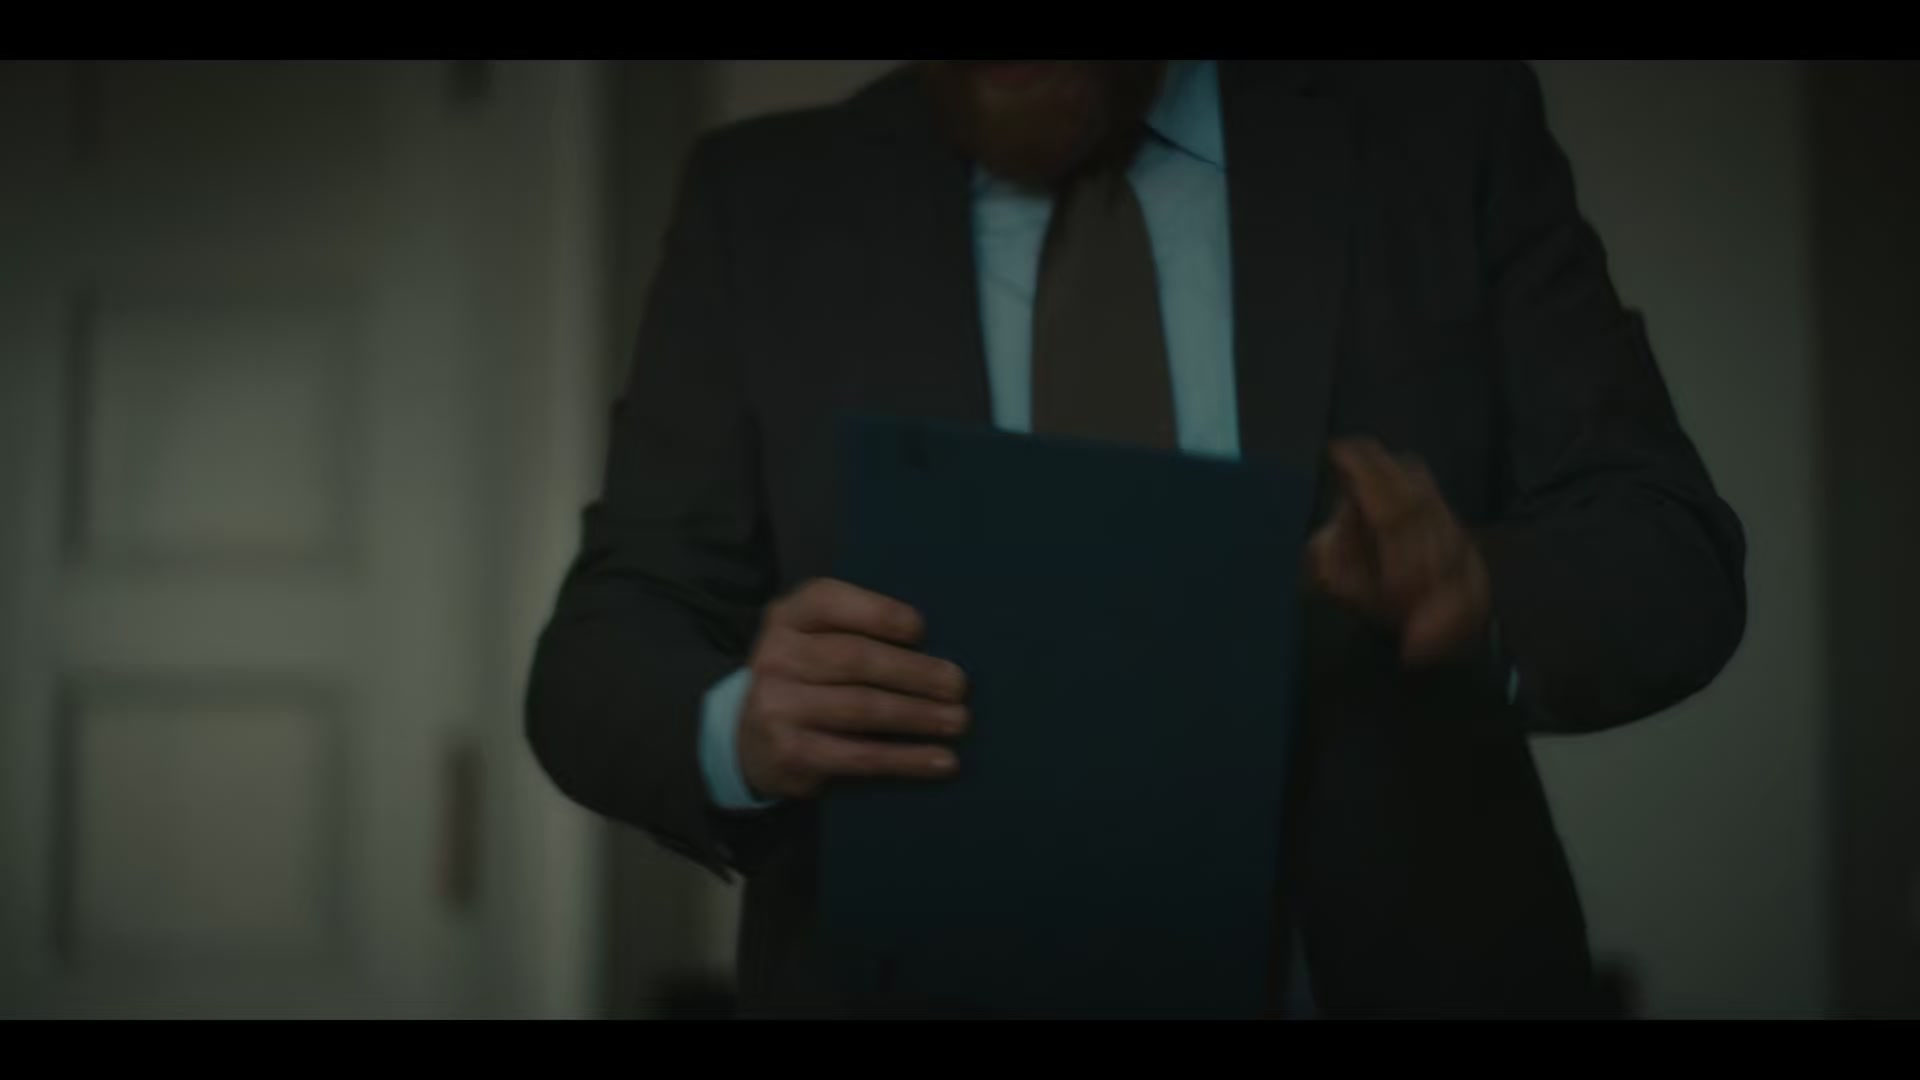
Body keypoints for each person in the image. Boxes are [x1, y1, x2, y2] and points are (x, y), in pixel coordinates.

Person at [525, 59, 1747, 1019]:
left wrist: (1479, 597)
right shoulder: (762, 203)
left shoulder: (1441, 127)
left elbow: (1670, 552)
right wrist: (739, 726)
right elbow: (601, 647)